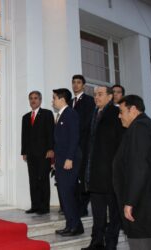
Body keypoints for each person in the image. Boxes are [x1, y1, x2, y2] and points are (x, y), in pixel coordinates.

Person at [113, 95, 151, 250]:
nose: (119, 116)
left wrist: (130, 201)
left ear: (133, 110)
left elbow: (139, 167)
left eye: (122, 111)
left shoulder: (139, 128)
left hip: (143, 209)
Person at [82, 86, 124, 250]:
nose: (96, 97)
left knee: (113, 213)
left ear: (109, 97)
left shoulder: (116, 114)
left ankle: (111, 244)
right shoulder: (93, 113)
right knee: (98, 213)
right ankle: (96, 242)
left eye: (100, 94)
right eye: (94, 95)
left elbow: (121, 143)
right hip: (94, 174)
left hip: (111, 174)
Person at [52, 88, 84, 237]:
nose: (53, 101)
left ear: (62, 99)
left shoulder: (70, 114)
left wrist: (69, 158)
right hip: (61, 160)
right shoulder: (61, 115)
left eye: (54, 98)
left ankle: (75, 226)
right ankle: (70, 224)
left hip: (68, 160)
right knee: (65, 194)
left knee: (67, 193)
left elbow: (74, 137)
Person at [21, 91, 55, 215]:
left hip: (44, 153)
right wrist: (24, 152)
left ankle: (44, 207)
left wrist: (51, 149)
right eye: (31, 98)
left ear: (40, 100)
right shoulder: (25, 117)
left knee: (43, 180)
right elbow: (24, 136)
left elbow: (51, 132)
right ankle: (35, 206)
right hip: (30, 154)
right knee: (33, 180)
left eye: (35, 98)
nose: (33, 100)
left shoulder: (47, 114)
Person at [69, 74, 95, 217]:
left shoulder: (89, 100)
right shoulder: (70, 101)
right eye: (73, 82)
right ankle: (76, 205)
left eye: (78, 82)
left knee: (83, 176)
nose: (76, 85)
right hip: (72, 146)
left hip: (83, 144)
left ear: (83, 85)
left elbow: (87, 122)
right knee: (74, 176)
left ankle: (83, 207)